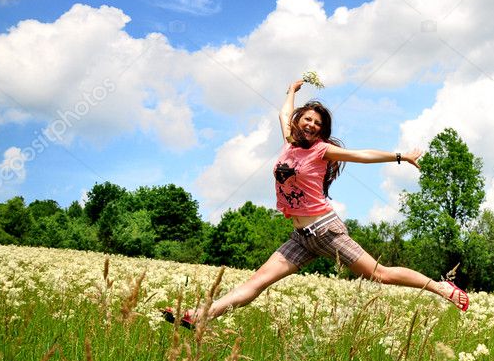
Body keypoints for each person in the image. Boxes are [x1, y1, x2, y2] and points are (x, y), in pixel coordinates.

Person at [162, 78, 468, 329]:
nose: (311, 125)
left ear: (322, 131)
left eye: (317, 123)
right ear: (299, 122)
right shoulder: (288, 145)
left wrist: (400, 156)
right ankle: (199, 317)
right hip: (301, 238)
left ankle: (441, 288)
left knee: (380, 274)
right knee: (258, 281)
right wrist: (292, 91)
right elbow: (283, 114)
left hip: (325, 230)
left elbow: (362, 155)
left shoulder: (321, 151)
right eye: (307, 119)